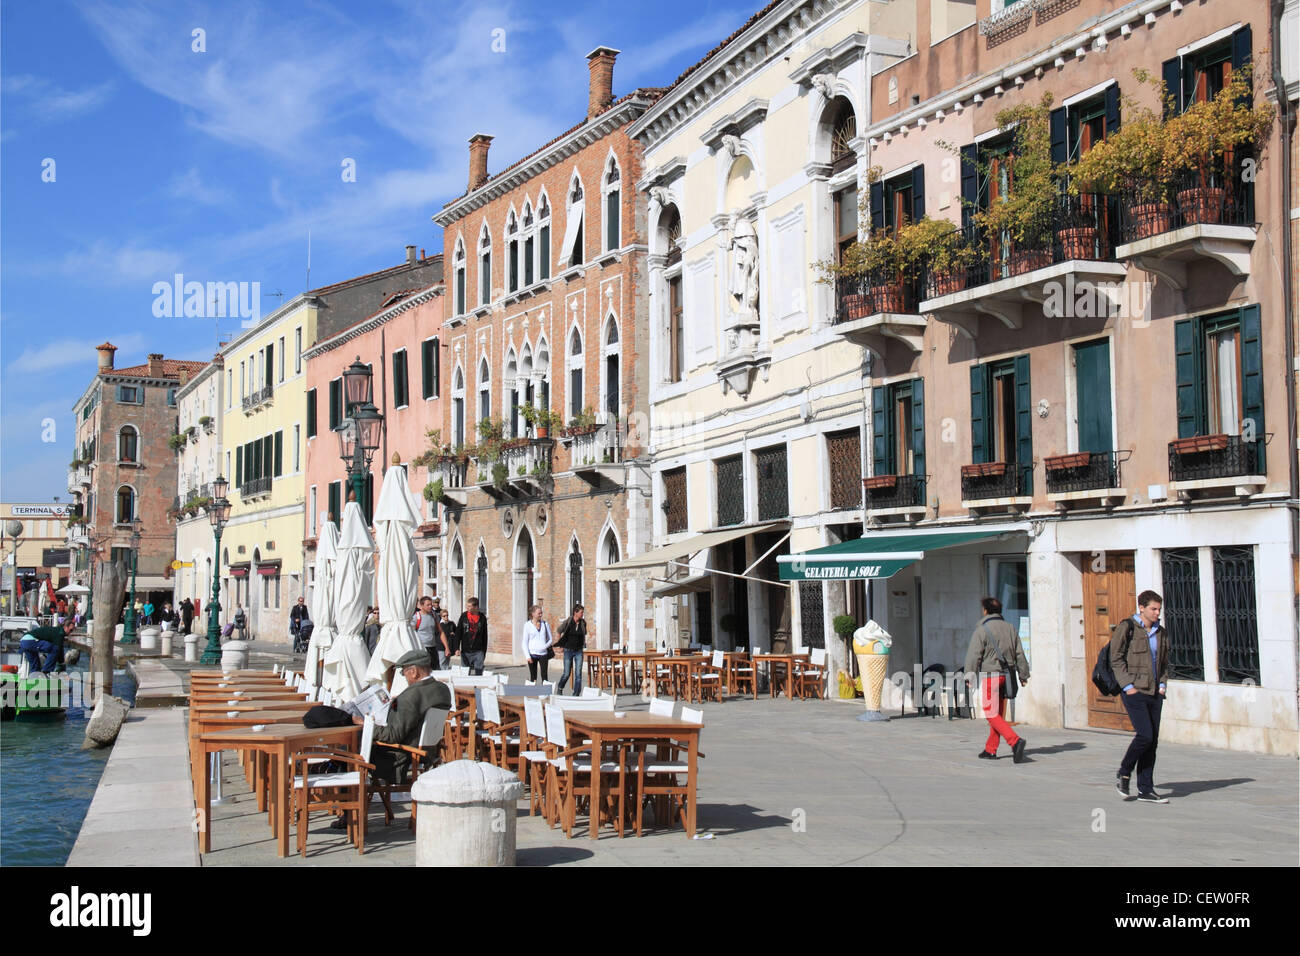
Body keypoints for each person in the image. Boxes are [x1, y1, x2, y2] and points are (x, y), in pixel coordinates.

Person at [1111, 590, 1169, 803]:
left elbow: (1163, 662)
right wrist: (1128, 686)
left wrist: (1162, 684)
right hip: (1134, 691)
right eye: (1153, 609)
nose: (1156, 613)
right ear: (1141, 608)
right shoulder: (1127, 628)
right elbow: (1115, 659)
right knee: (1144, 735)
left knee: (1152, 741)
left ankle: (1146, 788)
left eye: (1159, 609)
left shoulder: (1160, 632)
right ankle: (1124, 772)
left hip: (1155, 692)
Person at [363, 649, 452, 784]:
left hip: (402, 756)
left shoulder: (410, 697)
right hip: (429, 752)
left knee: (351, 751)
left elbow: (393, 736)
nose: (405, 678)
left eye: (404, 673)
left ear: (414, 672)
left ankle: (348, 798)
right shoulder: (443, 689)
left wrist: (367, 726)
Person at [964, 597, 1030, 763]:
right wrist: (1023, 675)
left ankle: (1015, 741)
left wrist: (970, 675)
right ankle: (990, 749)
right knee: (998, 714)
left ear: (985, 610)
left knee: (991, 713)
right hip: (1007, 676)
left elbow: (974, 655)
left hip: (991, 676)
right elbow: (1020, 654)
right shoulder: (1010, 628)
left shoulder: (982, 629)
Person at [555, 603, 589, 695]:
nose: (582, 614)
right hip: (568, 650)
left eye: (583, 612)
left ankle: (576, 694)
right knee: (566, 673)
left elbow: (584, 634)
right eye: (581, 612)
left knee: (578, 674)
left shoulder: (583, 623)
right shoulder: (568, 621)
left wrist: (584, 644)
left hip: (578, 651)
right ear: (575, 612)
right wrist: (560, 646)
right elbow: (559, 631)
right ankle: (560, 687)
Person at [522, 604, 554, 684]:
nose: (541, 615)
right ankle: (532, 694)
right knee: (533, 677)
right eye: (539, 613)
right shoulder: (527, 625)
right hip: (532, 654)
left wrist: (544, 647)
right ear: (533, 614)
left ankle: (544, 695)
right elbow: (524, 642)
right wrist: (527, 656)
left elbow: (550, 639)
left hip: (543, 654)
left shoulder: (545, 624)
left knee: (544, 676)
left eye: (541, 613)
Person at [457, 597, 488, 675]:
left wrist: (484, 652)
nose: (468, 608)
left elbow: (485, 636)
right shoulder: (464, 616)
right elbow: (458, 632)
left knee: (478, 672)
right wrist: (456, 648)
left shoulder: (482, 618)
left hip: (478, 650)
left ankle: (477, 686)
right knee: (465, 673)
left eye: (470, 606)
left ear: (476, 607)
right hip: (466, 650)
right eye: (467, 606)